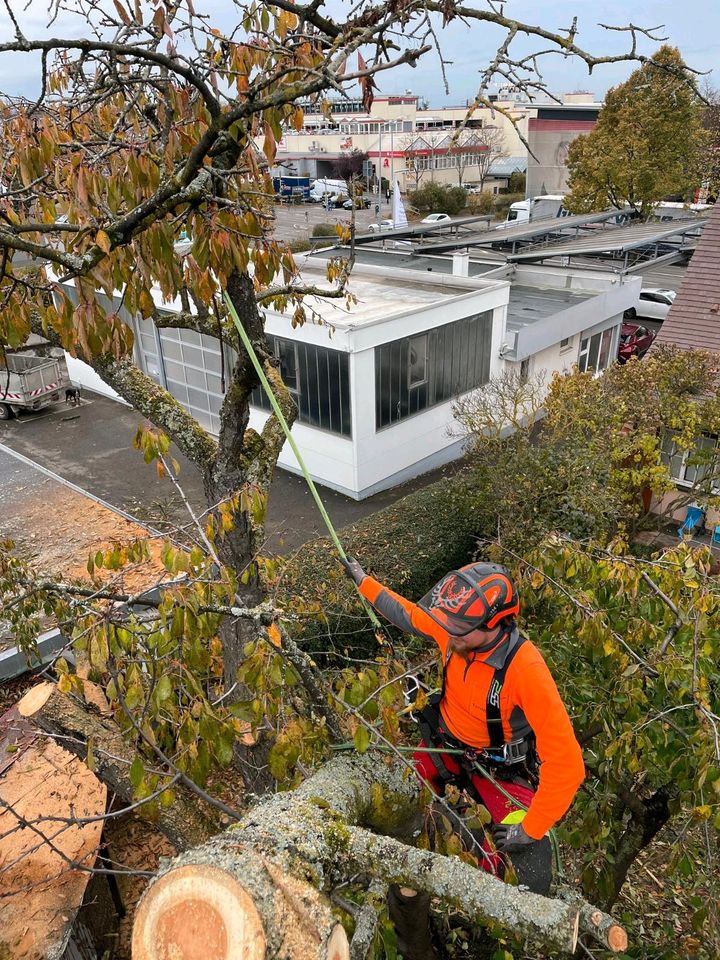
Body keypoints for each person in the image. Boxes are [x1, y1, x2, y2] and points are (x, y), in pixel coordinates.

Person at [341, 557, 585, 894]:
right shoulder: (456, 628)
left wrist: (531, 827)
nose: (448, 636)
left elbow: (567, 763)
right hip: (445, 747)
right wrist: (363, 581)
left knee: (523, 867)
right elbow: (409, 615)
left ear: (493, 624)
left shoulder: (525, 669)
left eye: (458, 630)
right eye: (449, 627)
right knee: (388, 792)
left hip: (499, 770)